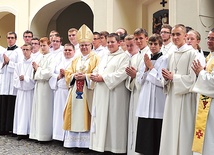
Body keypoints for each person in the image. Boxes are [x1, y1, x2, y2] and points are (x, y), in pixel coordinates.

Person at [90, 33, 130, 154]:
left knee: (114, 121)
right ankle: (100, 146)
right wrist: (94, 75)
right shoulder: (105, 56)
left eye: (113, 42)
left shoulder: (124, 57)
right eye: (108, 42)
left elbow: (122, 73)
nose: (110, 44)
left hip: (115, 94)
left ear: (119, 43)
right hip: (101, 93)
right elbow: (97, 69)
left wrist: (103, 78)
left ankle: (115, 148)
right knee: (101, 120)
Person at [160, 24, 197, 155]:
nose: (175, 37)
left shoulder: (193, 53)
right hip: (172, 98)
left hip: (185, 99)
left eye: (178, 34)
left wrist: (173, 77)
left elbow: (193, 80)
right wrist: (165, 78)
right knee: (171, 128)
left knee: (183, 130)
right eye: (173, 34)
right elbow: (167, 76)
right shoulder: (171, 54)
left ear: (185, 36)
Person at [63, 24, 99, 150]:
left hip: (87, 93)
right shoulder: (75, 59)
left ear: (91, 45)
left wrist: (86, 76)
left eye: (86, 45)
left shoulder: (96, 58)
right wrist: (73, 76)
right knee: (74, 114)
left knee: (85, 115)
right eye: (82, 45)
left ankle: (86, 145)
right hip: (75, 92)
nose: (84, 47)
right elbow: (67, 72)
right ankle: (74, 144)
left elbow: (97, 72)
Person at [135, 34, 167, 155]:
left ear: (160, 45)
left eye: (155, 44)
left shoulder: (165, 59)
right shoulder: (147, 58)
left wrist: (150, 67)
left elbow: (161, 81)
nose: (153, 47)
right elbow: (140, 80)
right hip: (145, 97)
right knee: (145, 127)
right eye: (151, 44)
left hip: (157, 99)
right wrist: (146, 70)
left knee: (156, 128)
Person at [191, 28, 214, 155]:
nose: (209, 41)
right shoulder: (210, 57)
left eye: (213, 38)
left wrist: (201, 72)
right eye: (208, 38)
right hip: (206, 104)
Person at [29, 37, 55, 142]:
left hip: (46, 87)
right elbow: (34, 73)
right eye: (41, 45)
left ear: (49, 45)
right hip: (39, 86)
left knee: (44, 111)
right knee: (38, 109)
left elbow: (49, 72)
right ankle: (37, 134)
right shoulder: (39, 57)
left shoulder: (52, 58)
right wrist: (35, 70)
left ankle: (45, 135)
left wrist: (37, 69)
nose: (43, 47)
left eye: (45, 45)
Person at [49, 43, 75, 142]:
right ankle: (58, 136)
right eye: (65, 50)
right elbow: (52, 74)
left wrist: (67, 74)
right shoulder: (59, 62)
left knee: (68, 114)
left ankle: (67, 138)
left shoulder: (75, 62)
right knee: (58, 114)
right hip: (59, 91)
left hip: (69, 91)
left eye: (69, 50)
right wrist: (59, 76)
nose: (67, 52)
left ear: (74, 51)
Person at [0, 32, 23, 135]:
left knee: (11, 105)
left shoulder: (19, 51)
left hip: (12, 83)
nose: (10, 40)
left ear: (16, 39)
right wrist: (4, 63)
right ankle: (2, 128)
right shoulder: (3, 51)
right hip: (4, 81)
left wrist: (9, 62)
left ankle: (11, 128)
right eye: (8, 38)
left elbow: (20, 66)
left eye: (12, 38)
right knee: (3, 104)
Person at [13, 43, 35, 140]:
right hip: (21, 91)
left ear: (31, 50)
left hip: (30, 92)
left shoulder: (34, 63)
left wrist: (25, 78)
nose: (25, 51)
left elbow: (35, 78)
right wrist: (19, 79)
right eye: (24, 50)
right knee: (21, 111)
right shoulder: (19, 64)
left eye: (27, 49)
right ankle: (20, 132)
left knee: (29, 111)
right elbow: (15, 77)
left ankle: (29, 132)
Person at [124, 35, 141, 155]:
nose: (129, 48)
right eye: (127, 46)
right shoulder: (130, 58)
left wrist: (136, 75)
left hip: (141, 93)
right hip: (134, 92)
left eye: (131, 45)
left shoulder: (140, 57)